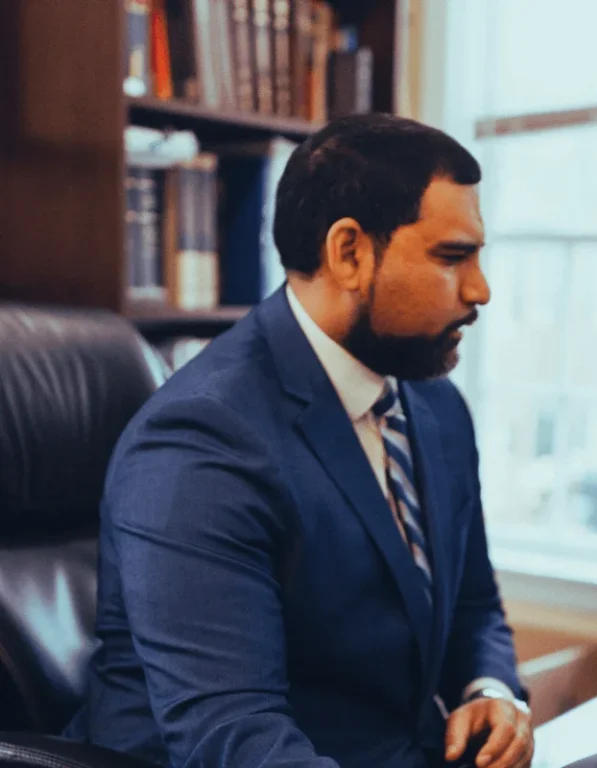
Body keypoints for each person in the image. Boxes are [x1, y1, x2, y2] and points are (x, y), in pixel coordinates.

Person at [64, 113, 533, 768]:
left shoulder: (435, 404)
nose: (480, 290)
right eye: (451, 257)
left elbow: (474, 603)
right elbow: (233, 738)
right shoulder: (201, 442)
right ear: (349, 253)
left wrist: (492, 690)